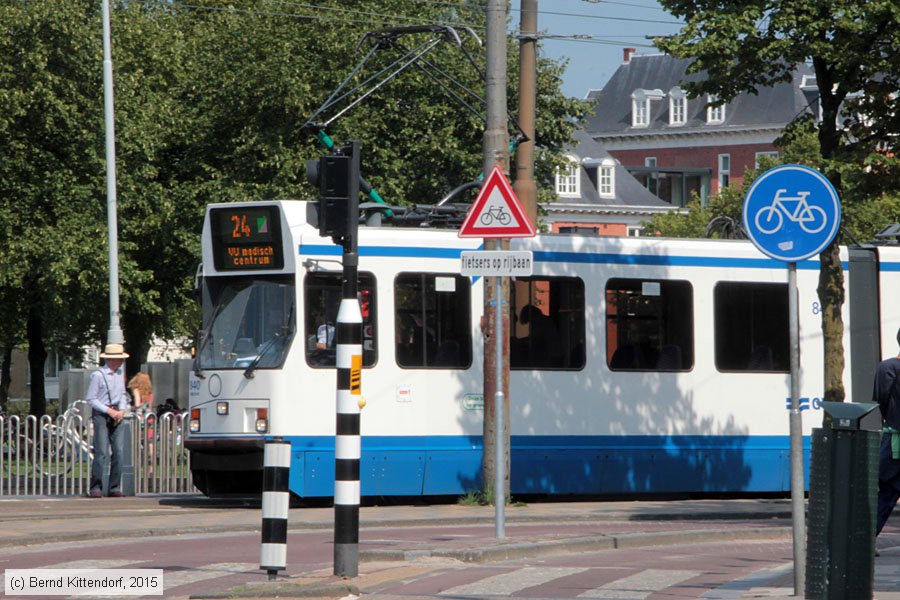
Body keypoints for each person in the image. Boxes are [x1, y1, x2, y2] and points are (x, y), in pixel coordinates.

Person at [86, 343, 131, 498]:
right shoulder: (98, 375)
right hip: (102, 414)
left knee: (118, 452)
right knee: (101, 451)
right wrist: (109, 411)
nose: (121, 362)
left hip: (117, 413)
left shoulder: (120, 374)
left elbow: (123, 394)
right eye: (119, 359)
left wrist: (122, 410)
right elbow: (91, 399)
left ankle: (114, 487)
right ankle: (96, 487)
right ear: (111, 359)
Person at [875, 327, 900, 536]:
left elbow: (881, 400)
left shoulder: (887, 368)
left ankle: (864, 539)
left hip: (894, 440)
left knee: (886, 490)